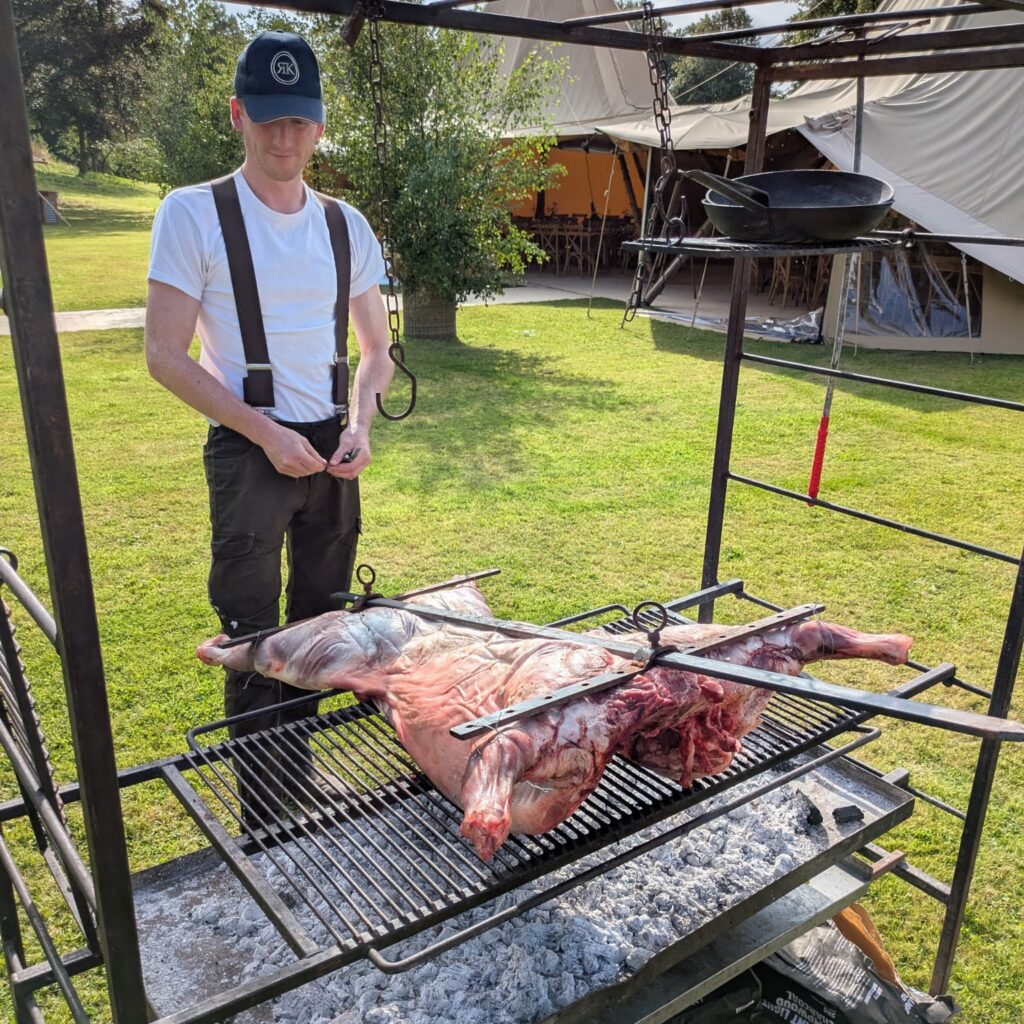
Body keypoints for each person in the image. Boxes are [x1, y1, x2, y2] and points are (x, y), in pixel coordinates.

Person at [145, 30, 394, 820]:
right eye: (269, 120)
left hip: (329, 446)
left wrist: (359, 422)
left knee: (321, 626)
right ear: (237, 116)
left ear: (320, 125)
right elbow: (163, 355)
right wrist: (263, 432)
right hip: (250, 449)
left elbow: (378, 349)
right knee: (255, 636)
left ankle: (298, 779)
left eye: (300, 122)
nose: (285, 139)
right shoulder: (192, 215)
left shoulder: (345, 224)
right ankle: (267, 810)